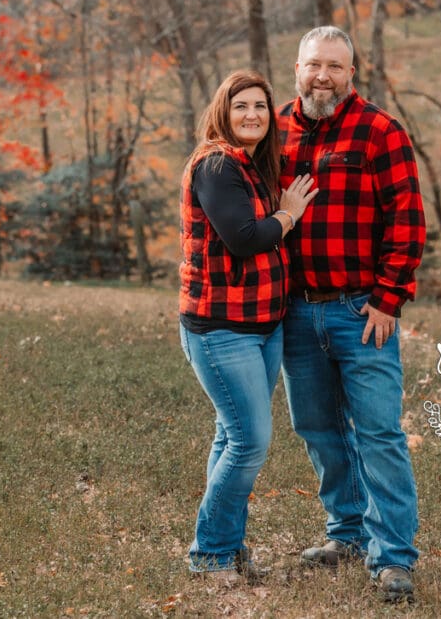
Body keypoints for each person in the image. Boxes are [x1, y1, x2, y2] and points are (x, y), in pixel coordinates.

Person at [277, 26, 426, 602]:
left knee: (379, 433)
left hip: (359, 310)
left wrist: (388, 300)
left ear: (352, 74)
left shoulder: (380, 130)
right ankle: (346, 533)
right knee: (316, 427)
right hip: (295, 312)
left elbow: (407, 222)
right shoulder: (277, 131)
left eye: (335, 67)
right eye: (314, 64)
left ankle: (392, 559)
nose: (323, 76)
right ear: (297, 68)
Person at [179, 70, 317, 582]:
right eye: (241, 106)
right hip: (220, 328)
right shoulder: (216, 164)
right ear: (223, 111)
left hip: (263, 324)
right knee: (249, 441)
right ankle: (209, 554)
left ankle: (228, 549)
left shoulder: (252, 165)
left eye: (261, 106)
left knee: (230, 434)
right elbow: (243, 238)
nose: (252, 115)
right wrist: (289, 215)